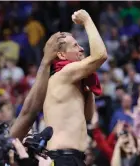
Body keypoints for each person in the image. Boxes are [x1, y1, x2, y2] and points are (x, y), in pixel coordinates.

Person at [43, 9, 107, 166]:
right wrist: (86, 19)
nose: (82, 49)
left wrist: (87, 88)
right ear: (62, 55)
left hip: (73, 157)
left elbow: (88, 116)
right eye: (75, 45)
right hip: (63, 157)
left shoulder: (73, 79)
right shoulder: (64, 73)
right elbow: (100, 55)